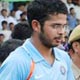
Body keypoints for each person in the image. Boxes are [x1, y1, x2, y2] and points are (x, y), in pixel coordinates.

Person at [0, 0, 75, 80]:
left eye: (64, 26)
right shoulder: (17, 62)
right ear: (36, 25)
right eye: (56, 26)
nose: (62, 32)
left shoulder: (64, 57)